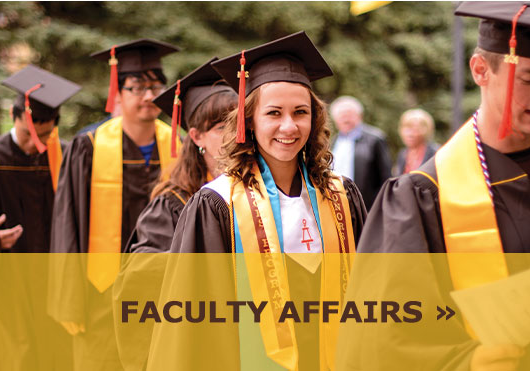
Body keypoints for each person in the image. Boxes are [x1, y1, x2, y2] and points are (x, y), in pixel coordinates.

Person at [338, 2, 530, 371]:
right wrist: (465, 361)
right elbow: (383, 334)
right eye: (529, 78)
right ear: (480, 70)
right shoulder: (424, 196)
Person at [147, 31, 367, 371]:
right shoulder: (218, 205)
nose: (289, 126)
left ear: (315, 118)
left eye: (301, 112)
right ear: (248, 120)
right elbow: (192, 321)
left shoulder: (341, 195)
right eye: (274, 113)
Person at [48, 38, 179, 371]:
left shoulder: (177, 146)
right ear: (118, 93)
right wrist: (69, 294)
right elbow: (68, 223)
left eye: (156, 86)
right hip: (99, 290)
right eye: (137, 87)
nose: (149, 96)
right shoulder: (89, 147)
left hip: (160, 292)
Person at [112, 58, 238, 371]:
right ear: (196, 137)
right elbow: (139, 285)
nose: (236, 137)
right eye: (223, 128)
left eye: (241, 126)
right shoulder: (173, 205)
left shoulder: (261, 195)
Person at [0, 64, 80, 370]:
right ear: (14, 119)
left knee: (57, 353)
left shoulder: (64, 155)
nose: (36, 144)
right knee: (18, 354)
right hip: (9, 279)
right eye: (29, 134)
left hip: (55, 273)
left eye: (46, 135)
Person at [330, 95, 392, 210]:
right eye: (341, 116)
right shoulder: (333, 142)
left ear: (360, 116)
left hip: (368, 206)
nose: (345, 119)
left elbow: (386, 178)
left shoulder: (375, 139)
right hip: (340, 204)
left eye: (349, 115)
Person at [393, 108, 439, 176]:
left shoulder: (436, 153)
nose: (410, 134)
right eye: (407, 128)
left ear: (426, 130)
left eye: (415, 129)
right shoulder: (402, 154)